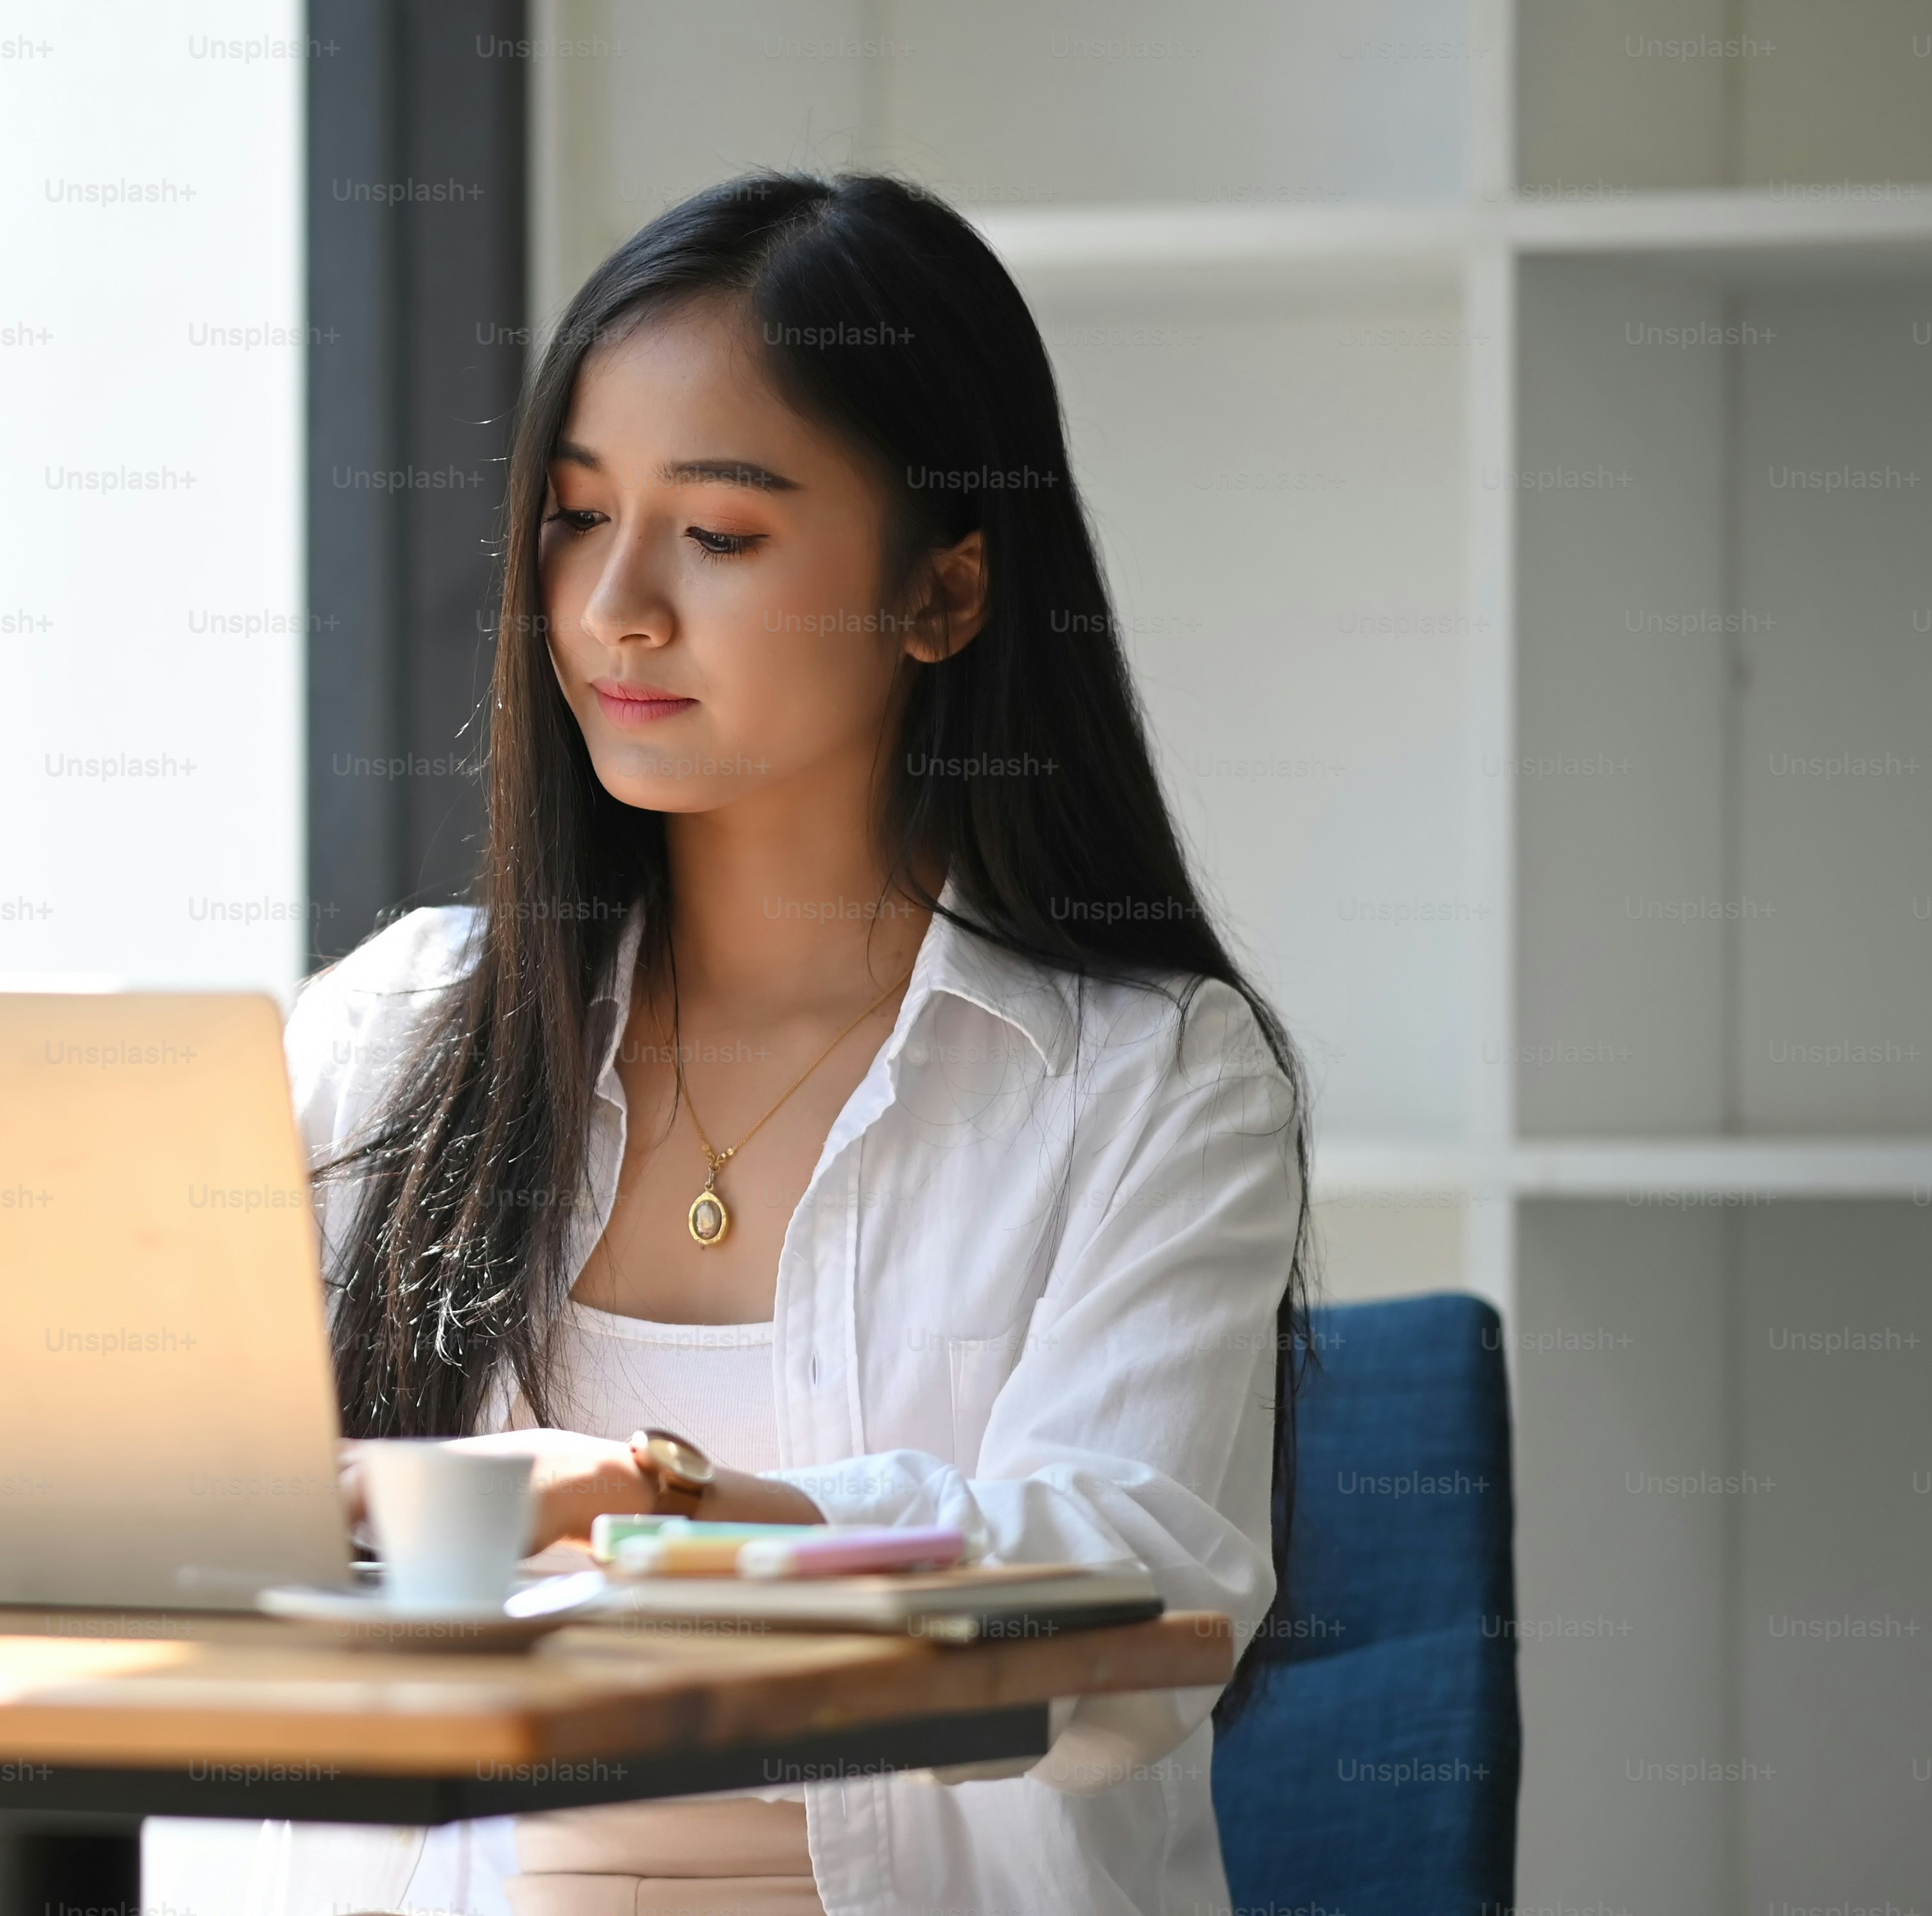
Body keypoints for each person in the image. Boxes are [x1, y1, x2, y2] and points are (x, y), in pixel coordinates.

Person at [273, 171, 1310, 1915]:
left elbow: (1122, 1601)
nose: (615, 609)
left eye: (723, 537)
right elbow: (161, 1496)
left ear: (947, 592)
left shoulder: (1151, 1080)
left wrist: (652, 1505)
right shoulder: (395, 1034)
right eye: (575, 518)